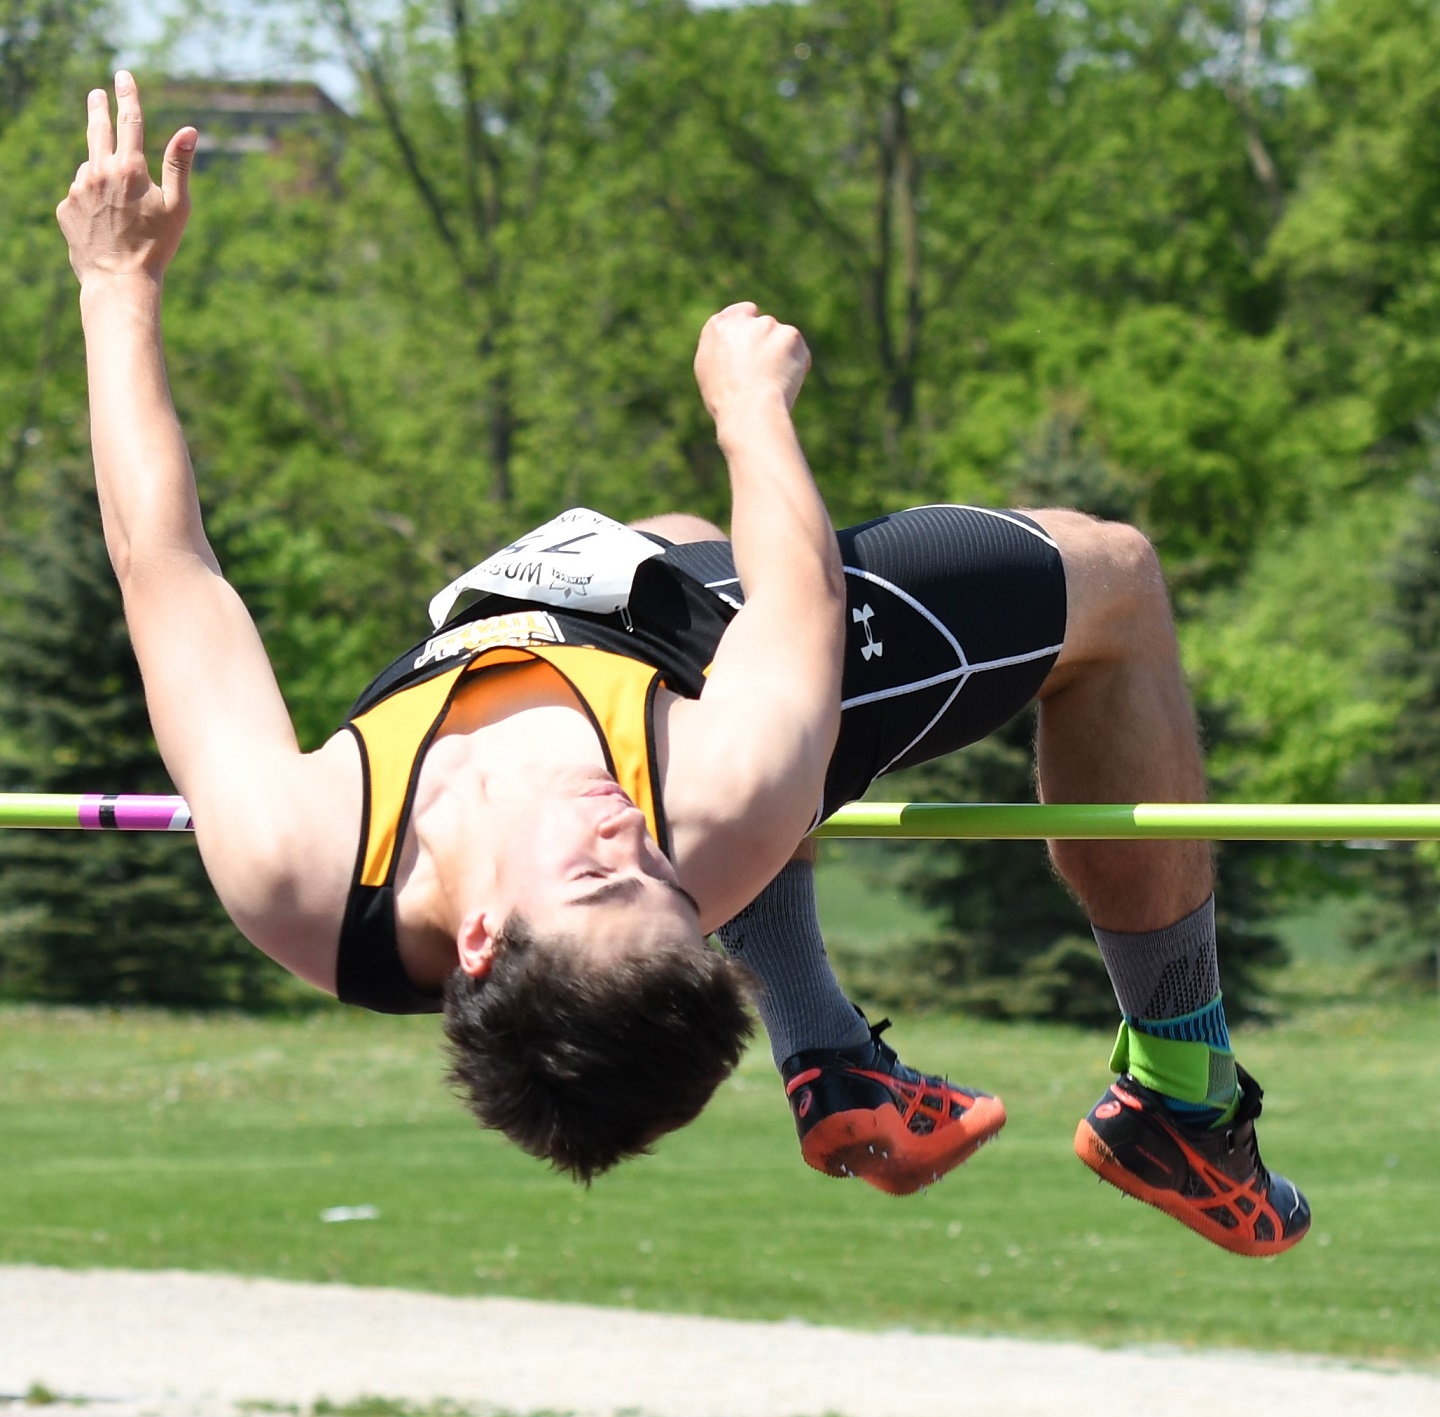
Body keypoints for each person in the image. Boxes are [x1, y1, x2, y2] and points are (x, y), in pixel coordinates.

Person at [58, 75, 1308, 1257]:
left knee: (672, 542)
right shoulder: (720, 800)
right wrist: (748, 406)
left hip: (575, 606)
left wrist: (116, 286)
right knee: (1119, 578)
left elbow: (168, 569)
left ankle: (829, 1051)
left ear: (484, 935)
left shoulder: (298, 862)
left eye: (611, 875)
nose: (629, 837)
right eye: (668, 879)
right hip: (706, 651)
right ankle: (1182, 1097)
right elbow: (795, 593)